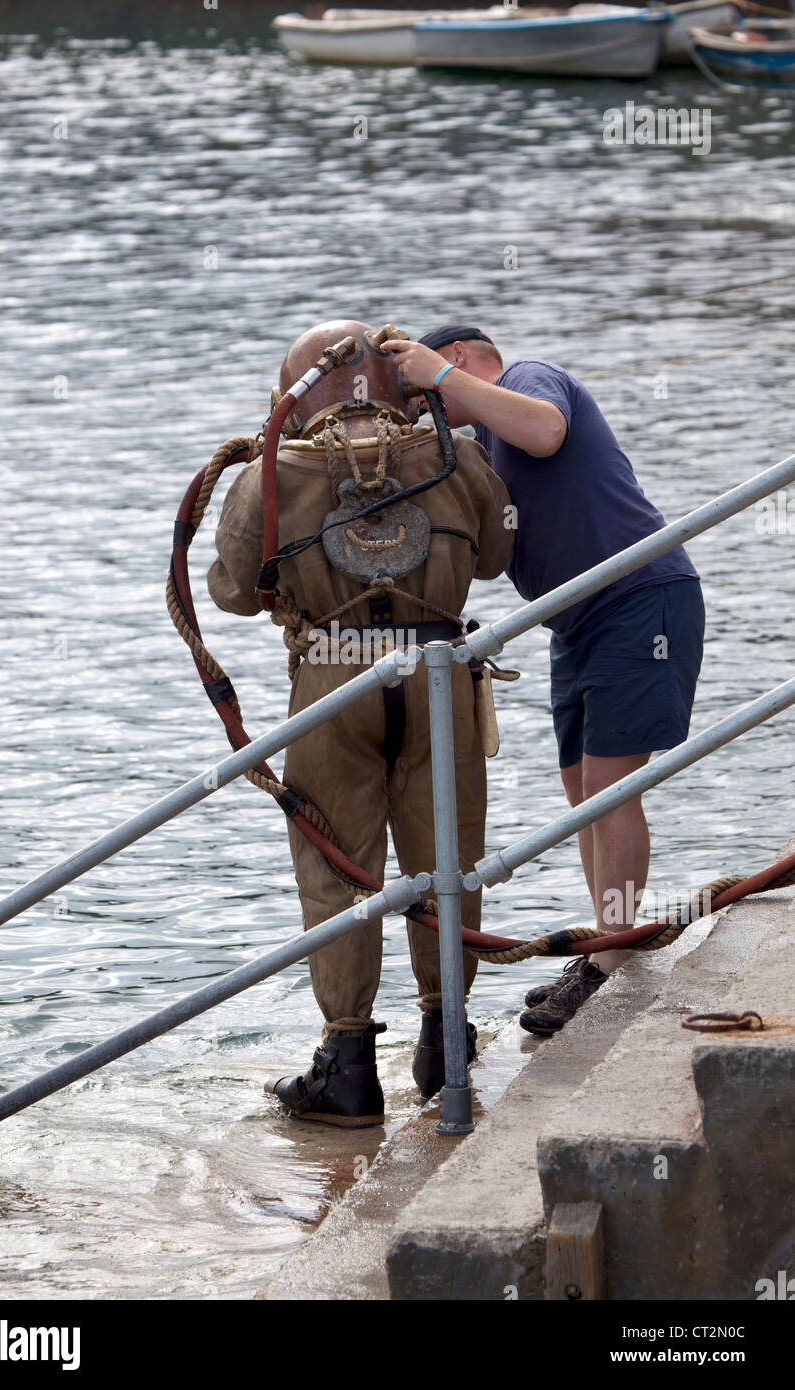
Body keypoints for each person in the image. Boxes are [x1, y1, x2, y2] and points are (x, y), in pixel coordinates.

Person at [207, 320, 514, 1125]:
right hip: (438, 672)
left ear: (294, 393)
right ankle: (446, 1044)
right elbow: (494, 557)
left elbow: (233, 593)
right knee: (448, 857)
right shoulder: (454, 455)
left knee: (336, 869)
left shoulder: (274, 473)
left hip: (332, 678)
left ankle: (346, 1069)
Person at [382, 325, 704, 1036]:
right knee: (581, 792)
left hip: (639, 596)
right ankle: (606, 944)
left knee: (610, 788)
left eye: (426, 393)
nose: (429, 407)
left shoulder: (526, 377)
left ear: (458, 356)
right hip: (576, 621)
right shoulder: (482, 442)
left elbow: (547, 431)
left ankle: (609, 961)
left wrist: (437, 377)